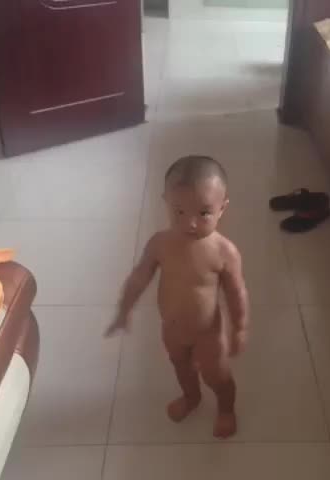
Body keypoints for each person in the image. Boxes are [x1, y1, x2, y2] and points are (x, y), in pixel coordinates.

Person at [105, 155, 249, 439]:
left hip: (208, 333)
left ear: (222, 208)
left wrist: (240, 327)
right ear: (166, 202)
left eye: (204, 213)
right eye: (179, 211)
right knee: (181, 367)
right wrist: (124, 309)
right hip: (172, 329)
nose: (190, 223)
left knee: (217, 376)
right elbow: (139, 277)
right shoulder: (160, 243)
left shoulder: (224, 252)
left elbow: (236, 292)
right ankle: (192, 397)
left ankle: (226, 409)